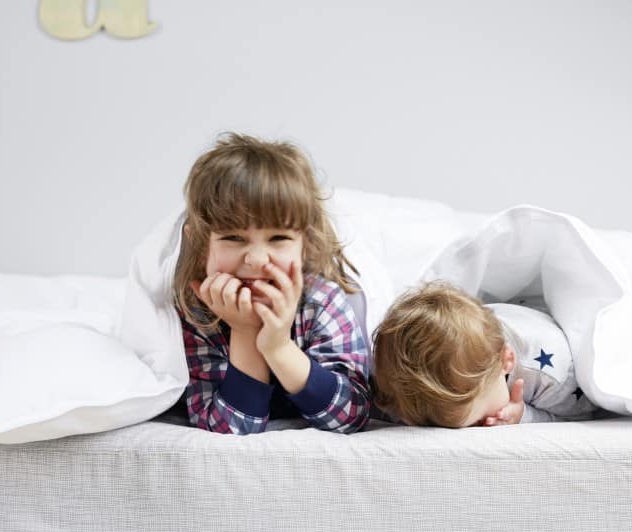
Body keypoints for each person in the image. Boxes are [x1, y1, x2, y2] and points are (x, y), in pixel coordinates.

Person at [172, 133, 371, 435]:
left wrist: (278, 346)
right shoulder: (196, 310)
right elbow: (230, 429)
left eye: (278, 238)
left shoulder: (320, 301)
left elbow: (351, 416)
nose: (255, 259)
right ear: (200, 245)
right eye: (233, 238)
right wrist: (244, 331)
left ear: (305, 244)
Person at [372, 281, 597, 427]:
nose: (482, 425)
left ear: (506, 361)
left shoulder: (550, 375)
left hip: (543, 315)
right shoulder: (409, 387)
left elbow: (584, 418)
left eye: (477, 419)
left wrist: (524, 416)